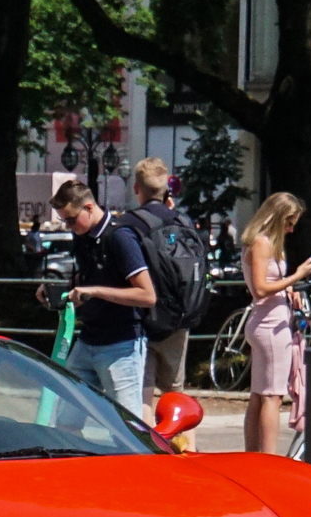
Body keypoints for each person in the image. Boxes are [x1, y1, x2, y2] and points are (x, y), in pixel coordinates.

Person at [42, 175, 156, 413]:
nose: (69, 226)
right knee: (65, 419)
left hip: (121, 343)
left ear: (89, 207)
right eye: (65, 222)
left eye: (72, 220)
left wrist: (94, 292)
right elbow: (89, 278)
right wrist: (60, 289)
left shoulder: (120, 237)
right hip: (88, 339)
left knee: (127, 425)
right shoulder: (85, 238)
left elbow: (147, 296)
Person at [240, 193, 311, 452]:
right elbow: (261, 288)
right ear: (277, 218)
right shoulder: (262, 243)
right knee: (272, 396)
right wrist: (296, 276)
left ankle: (253, 457)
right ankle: (268, 458)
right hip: (270, 326)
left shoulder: (262, 242)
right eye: (289, 222)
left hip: (265, 321)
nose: (291, 228)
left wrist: (287, 290)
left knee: (259, 395)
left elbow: (267, 286)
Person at [122, 156, 201, 412]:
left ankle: (147, 449)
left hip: (141, 319)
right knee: (176, 393)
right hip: (179, 318)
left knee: (143, 394)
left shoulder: (129, 224)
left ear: (136, 189)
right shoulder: (184, 222)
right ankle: (185, 449)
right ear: (167, 188)